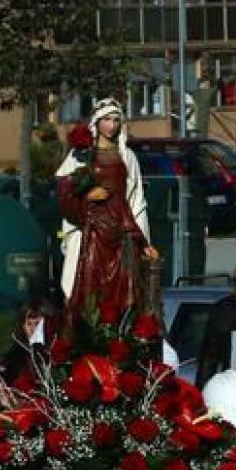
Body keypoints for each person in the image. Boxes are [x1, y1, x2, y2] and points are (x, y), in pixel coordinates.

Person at [55, 98, 155, 327]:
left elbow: (136, 201)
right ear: (97, 122)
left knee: (122, 292)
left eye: (116, 120)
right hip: (91, 232)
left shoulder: (127, 156)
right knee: (85, 287)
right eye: (107, 120)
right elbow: (64, 190)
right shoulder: (81, 155)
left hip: (120, 231)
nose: (112, 125)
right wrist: (87, 196)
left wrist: (145, 241)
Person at [0, 291, 64, 388]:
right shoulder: (16, 353)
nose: (33, 329)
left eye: (37, 324)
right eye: (29, 324)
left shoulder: (58, 350)